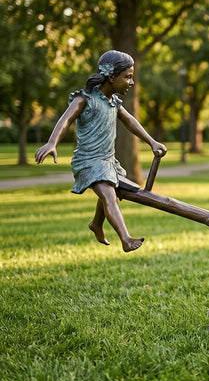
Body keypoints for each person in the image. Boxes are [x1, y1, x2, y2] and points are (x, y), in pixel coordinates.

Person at [35, 50, 167, 252]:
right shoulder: (85, 99)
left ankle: (96, 224)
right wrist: (52, 143)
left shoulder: (114, 102)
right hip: (88, 161)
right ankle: (126, 239)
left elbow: (130, 122)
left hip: (107, 161)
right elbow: (66, 120)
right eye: (128, 77)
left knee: (109, 191)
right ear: (111, 76)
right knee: (108, 196)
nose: (131, 83)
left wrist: (152, 141)